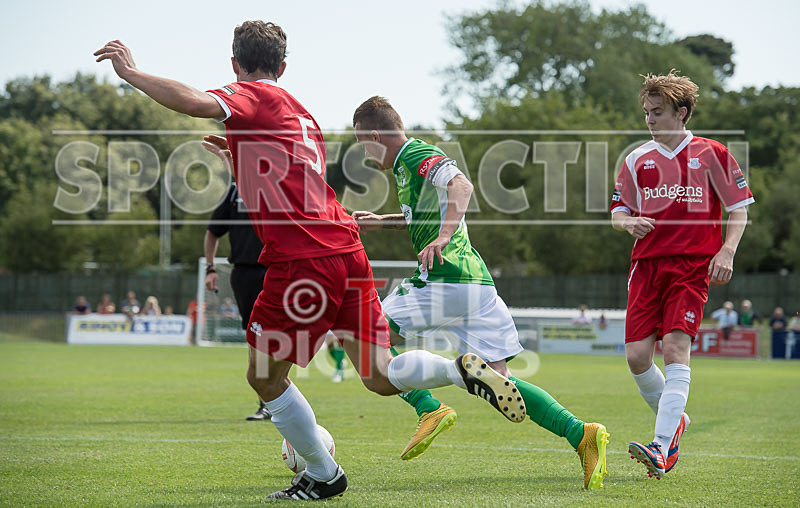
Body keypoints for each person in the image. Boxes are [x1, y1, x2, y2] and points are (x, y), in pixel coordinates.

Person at [96, 22, 520, 501]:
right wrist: (237, 151)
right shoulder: (302, 113)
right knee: (379, 375)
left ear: (236, 65)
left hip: (304, 259)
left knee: (264, 375)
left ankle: (323, 473)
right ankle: (457, 370)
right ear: (284, 67)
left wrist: (131, 73)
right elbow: (285, 178)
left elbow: (194, 102)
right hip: (348, 251)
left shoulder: (252, 95)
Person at [351, 96, 609, 490]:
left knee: (362, 336)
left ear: (374, 134)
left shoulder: (415, 152)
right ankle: (582, 435)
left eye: (362, 143)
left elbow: (462, 185)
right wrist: (381, 222)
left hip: (444, 278)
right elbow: (424, 215)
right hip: (477, 286)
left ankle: (429, 407)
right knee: (502, 382)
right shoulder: (406, 170)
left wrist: (442, 236)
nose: (365, 154)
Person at [610, 71, 753, 479]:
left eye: (657, 113)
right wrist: (627, 223)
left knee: (674, 350)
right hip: (646, 267)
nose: (650, 121)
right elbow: (617, 212)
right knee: (637, 358)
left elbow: (739, 207)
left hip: (691, 266)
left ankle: (660, 447)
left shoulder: (712, 153)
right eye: (646, 113)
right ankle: (675, 424)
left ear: (682, 113)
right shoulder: (637, 159)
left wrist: (727, 250)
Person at [204, 181, 270, 421]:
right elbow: (213, 230)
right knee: (254, 337)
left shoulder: (279, 185)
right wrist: (210, 268)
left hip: (275, 270)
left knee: (274, 335)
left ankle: (278, 397)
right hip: (242, 274)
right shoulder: (234, 191)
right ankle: (268, 401)